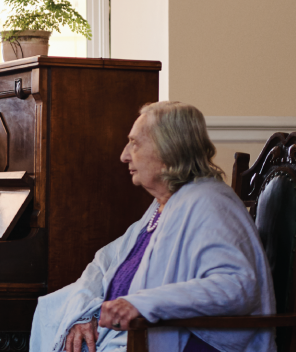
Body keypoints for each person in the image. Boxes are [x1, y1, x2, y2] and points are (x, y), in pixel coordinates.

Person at [30, 102, 276, 352]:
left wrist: (143, 304)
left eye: (134, 143)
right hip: (127, 337)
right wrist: (84, 311)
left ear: (168, 151)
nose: (124, 155)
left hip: (187, 342)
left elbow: (236, 286)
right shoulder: (164, 203)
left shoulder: (209, 203)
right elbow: (105, 262)